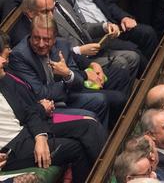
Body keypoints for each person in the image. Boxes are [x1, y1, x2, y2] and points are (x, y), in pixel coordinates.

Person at [0, 51, 101, 182]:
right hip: (11, 149)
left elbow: (28, 112)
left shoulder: (4, 81)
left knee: (88, 125)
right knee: (75, 148)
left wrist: (40, 137)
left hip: (28, 129)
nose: (3, 61)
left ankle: (107, 171)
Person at [8, 14, 108, 124]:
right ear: (30, 34)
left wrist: (67, 74)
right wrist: (66, 83)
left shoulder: (62, 45)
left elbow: (78, 84)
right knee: (89, 118)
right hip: (46, 111)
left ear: (54, 38)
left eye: (46, 39)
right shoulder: (20, 55)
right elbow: (40, 93)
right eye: (36, 38)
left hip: (64, 99)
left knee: (101, 100)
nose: (41, 44)